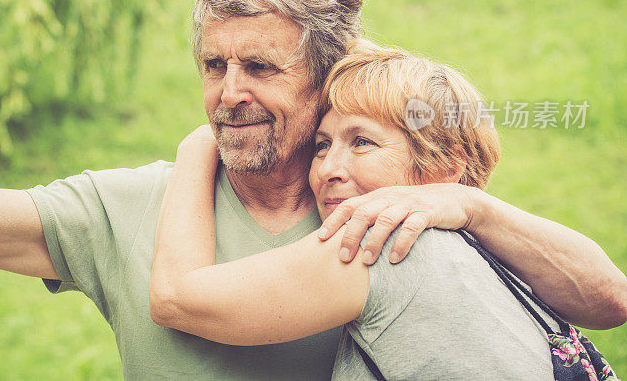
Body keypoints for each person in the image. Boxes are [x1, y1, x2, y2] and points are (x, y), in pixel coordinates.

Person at [0, 0, 625, 380]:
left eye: (262, 68)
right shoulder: (136, 206)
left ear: (328, 77)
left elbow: (601, 299)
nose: (229, 93)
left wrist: (474, 206)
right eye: (215, 66)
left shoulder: (383, 201)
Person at [150, 39, 609, 379]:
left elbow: (176, 298)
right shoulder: (475, 248)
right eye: (321, 145)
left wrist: (201, 141)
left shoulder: (383, 247)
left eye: (362, 142)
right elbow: (613, 302)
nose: (327, 168)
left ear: (443, 168)